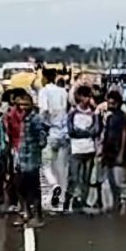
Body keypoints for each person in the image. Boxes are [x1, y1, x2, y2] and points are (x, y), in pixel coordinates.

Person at [13, 90, 48, 227]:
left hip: (32, 159)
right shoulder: (24, 119)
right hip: (23, 158)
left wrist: (37, 147)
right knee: (22, 187)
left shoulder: (35, 119)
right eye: (21, 105)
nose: (23, 108)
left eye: (26, 105)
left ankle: (38, 216)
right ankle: (27, 213)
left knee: (33, 189)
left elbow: (42, 138)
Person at [38, 67, 70, 210]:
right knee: (61, 167)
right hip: (64, 133)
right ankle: (61, 197)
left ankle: (53, 186)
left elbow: (44, 110)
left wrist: (42, 125)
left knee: (46, 165)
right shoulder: (63, 91)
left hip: (50, 132)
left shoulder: (44, 91)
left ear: (44, 77)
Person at [66, 84, 99, 213]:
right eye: (84, 96)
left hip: (89, 149)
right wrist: (85, 132)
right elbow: (71, 131)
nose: (86, 99)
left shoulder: (93, 113)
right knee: (74, 176)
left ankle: (83, 200)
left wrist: (83, 132)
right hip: (76, 149)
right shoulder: (73, 112)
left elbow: (96, 130)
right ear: (79, 97)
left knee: (86, 177)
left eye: (88, 96)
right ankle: (71, 198)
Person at [99, 90, 126, 214]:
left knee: (120, 181)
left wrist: (122, 153)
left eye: (112, 103)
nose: (110, 105)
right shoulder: (109, 117)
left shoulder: (123, 117)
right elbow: (106, 135)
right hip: (109, 152)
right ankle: (115, 203)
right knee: (110, 180)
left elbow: (125, 135)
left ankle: (123, 203)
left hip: (118, 151)